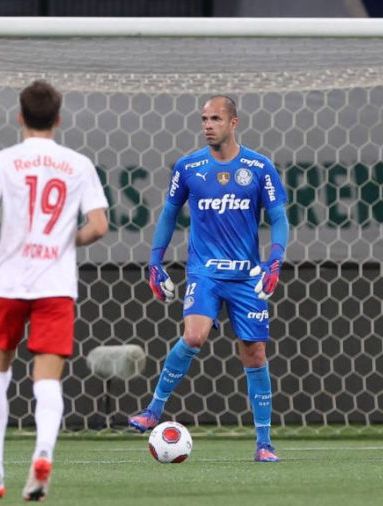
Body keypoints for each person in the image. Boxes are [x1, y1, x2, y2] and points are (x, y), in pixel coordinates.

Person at [0, 80, 109, 501]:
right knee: (48, 381)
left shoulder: (2, 161)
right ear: (59, 119)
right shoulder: (78, 164)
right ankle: (42, 454)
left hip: (8, 281)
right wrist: (71, 240)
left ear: (20, 117)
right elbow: (99, 226)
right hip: (55, 284)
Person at [128, 96, 290, 463]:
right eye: (203, 118)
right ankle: (153, 409)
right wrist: (155, 263)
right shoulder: (188, 168)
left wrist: (275, 261)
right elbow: (169, 215)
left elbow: (279, 217)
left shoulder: (259, 167)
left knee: (255, 352)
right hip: (203, 272)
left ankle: (264, 443)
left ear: (234, 123)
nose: (207, 125)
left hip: (246, 276)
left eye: (215, 118)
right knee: (194, 335)